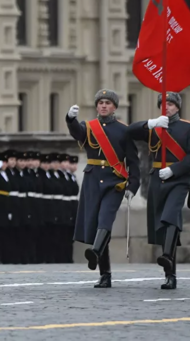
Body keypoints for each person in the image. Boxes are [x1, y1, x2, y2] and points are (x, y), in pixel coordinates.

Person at [66, 89, 140, 288]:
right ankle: (105, 274)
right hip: (92, 181)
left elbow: (133, 160)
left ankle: (96, 251)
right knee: (96, 224)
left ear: (114, 107)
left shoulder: (124, 130)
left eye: (108, 102)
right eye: (101, 103)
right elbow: (77, 133)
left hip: (114, 182)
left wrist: (133, 185)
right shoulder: (89, 127)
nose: (104, 106)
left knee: (104, 220)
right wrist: (70, 119)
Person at [128, 92, 190, 289]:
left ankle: (167, 256)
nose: (166, 107)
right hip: (157, 178)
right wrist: (150, 123)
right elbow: (130, 131)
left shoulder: (188, 128)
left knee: (170, 216)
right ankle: (170, 275)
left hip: (179, 179)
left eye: (170, 104)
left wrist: (174, 169)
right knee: (163, 223)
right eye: (163, 104)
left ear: (177, 107)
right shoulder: (155, 127)